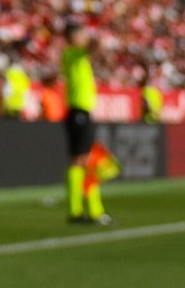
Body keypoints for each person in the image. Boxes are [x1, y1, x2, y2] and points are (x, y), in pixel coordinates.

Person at [61, 22, 109, 225]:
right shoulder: (72, 53)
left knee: (81, 160)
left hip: (79, 112)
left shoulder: (75, 55)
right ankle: (85, 210)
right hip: (79, 112)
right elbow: (95, 46)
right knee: (84, 160)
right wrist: (92, 36)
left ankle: (80, 210)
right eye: (81, 34)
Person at [0, 54, 31, 119]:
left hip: (9, 104)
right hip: (20, 103)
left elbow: (6, 89)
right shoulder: (23, 74)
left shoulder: (9, 72)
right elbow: (26, 89)